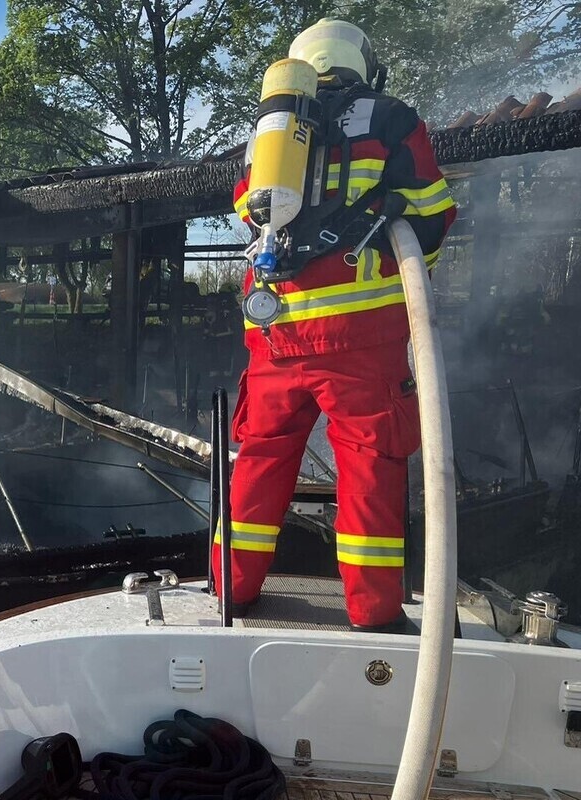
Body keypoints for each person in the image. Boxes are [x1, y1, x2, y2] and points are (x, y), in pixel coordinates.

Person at [213, 18, 457, 632]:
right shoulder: (390, 118)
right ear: (362, 63)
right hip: (361, 337)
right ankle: (373, 613)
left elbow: (249, 209)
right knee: (370, 465)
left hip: (275, 334)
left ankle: (231, 591)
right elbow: (433, 214)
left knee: (261, 460)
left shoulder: (273, 129)